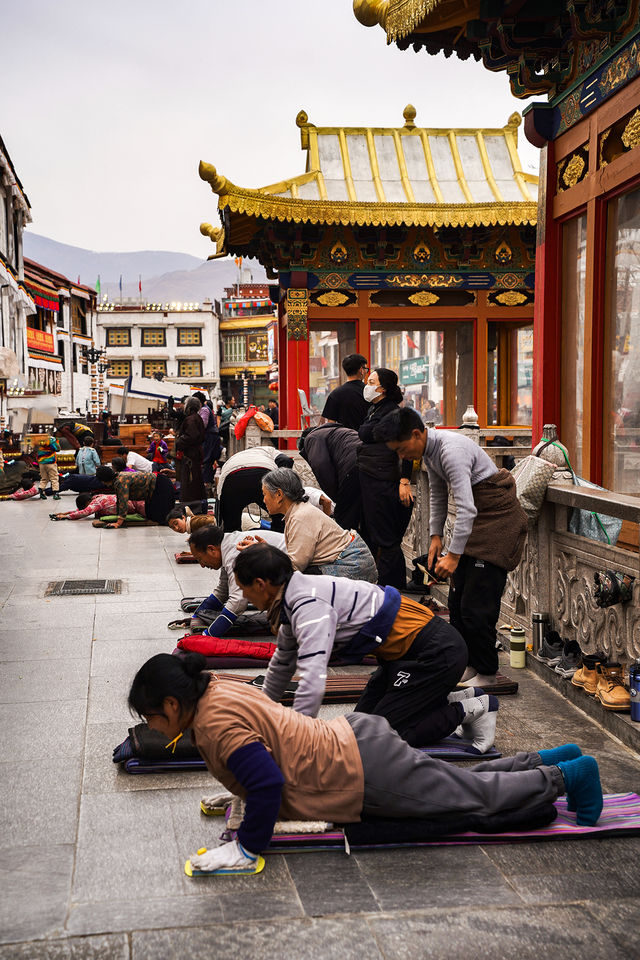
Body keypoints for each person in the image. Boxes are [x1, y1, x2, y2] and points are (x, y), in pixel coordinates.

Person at [128, 652, 603, 873]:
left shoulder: (213, 723)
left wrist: (247, 848)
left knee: (469, 799)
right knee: (453, 781)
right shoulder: (213, 687)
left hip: (358, 768)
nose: (152, 727)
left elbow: (267, 783)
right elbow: (263, 748)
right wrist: (238, 789)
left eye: (150, 717)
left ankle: (567, 775)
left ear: (172, 705)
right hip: (354, 738)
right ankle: (549, 758)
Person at [233, 542, 499, 752]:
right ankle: (452, 698)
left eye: (244, 588)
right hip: (404, 656)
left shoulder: (307, 606)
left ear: (261, 584)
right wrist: (260, 715)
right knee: (357, 730)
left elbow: (312, 679)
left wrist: (297, 743)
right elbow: (282, 664)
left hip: (436, 652)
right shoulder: (293, 596)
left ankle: (473, 709)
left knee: (379, 739)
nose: (244, 596)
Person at [374, 407, 528, 687]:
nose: (401, 456)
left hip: (496, 523)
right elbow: (438, 495)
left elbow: (467, 508)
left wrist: (454, 555)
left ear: (417, 434)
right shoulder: (430, 452)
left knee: (476, 606)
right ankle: (468, 663)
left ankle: (487, 672)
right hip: (477, 525)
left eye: (401, 448)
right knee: (457, 604)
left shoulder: (451, 451)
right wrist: (435, 537)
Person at [257, 468, 377, 582]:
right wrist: (267, 550)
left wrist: (265, 556)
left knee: (291, 580)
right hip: (351, 563)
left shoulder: (300, 516)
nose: (263, 500)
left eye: (264, 494)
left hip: (353, 567)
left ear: (278, 495)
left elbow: (294, 566)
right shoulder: (297, 512)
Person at [358, 368, 413, 589]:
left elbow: (407, 448)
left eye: (371, 382)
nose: (367, 385)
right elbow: (365, 433)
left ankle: (394, 590)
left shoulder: (393, 413)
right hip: (370, 478)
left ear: (383, 388)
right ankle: (380, 585)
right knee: (372, 532)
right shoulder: (375, 408)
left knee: (386, 536)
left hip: (383, 480)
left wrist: (404, 480)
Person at [186, 522, 286, 634]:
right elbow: (223, 591)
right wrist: (195, 616)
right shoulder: (226, 546)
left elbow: (238, 601)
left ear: (211, 549)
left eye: (200, 559)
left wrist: (208, 635)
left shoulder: (234, 552)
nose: (202, 565)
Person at [298, 422, 362, 530]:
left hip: (353, 466)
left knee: (344, 518)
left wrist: (337, 497)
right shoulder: (338, 431)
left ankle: (345, 545)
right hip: (372, 462)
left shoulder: (312, 437)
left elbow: (321, 466)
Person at [216, 446, 294, 532]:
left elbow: (221, 489)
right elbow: (286, 460)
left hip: (233, 478)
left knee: (231, 527)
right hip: (263, 475)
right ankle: (279, 540)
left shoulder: (234, 457)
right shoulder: (268, 450)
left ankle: (232, 543)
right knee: (279, 520)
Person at [95, 465, 176, 526]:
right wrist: (118, 516)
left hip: (161, 485)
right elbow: (119, 500)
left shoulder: (120, 481)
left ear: (104, 479)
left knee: (164, 518)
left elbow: (123, 501)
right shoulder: (117, 479)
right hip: (155, 488)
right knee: (151, 515)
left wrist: (118, 522)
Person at [321, 353, 369, 430]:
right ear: (361, 370)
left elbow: (330, 424)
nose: (367, 372)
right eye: (366, 369)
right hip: (366, 439)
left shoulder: (335, 394)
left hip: (343, 439)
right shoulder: (369, 392)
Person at [176, 397, 206, 502]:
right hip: (194, 454)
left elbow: (191, 436)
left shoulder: (191, 419)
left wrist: (179, 442)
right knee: (195, 481)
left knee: (190, 482)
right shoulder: (196, 418)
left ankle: (191, 505)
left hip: (191, 455)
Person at [51, 491, 146, 521]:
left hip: (139, 506)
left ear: (88, 501)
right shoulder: (97, 498)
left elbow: (85, 512)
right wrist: (64, 513)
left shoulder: (97, 502)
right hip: (136, 504)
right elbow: (81, 510)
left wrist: (65, 517)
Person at [193, 391, 221, 485]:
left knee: (207, 459)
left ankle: (206, 482)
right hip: (211, 436)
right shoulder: (204, 409)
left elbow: (203, 424)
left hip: (210, 436)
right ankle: (207, 481)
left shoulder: (204, 409)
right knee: (207, 459)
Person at [36, 435, 61, 501]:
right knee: (54, 478)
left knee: (44, 478)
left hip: (41, 463)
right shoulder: (52, 440)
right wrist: (55, 441)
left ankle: (41, 490)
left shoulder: (40, 441)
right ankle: (56, 494)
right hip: (51, 463)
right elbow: (58, 449)